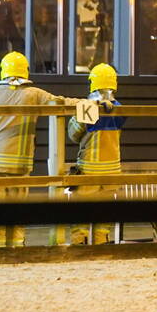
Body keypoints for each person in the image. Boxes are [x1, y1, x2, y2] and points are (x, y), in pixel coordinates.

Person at [0, 52, 80, 248]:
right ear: (26, 71)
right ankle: (16, 256)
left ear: (3, 71)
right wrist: (91, 103)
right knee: (18, 214)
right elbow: (62, 102)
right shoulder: (34, 94)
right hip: (20, 166)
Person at [67, 63, 123, 245]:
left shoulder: (89, 107)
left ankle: (81, 245)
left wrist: (78, 114)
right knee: (104, 215)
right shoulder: (119, 107)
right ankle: (101, 246)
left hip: (90, 169)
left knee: (82, 214)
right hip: (112, 172)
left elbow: (74, 134)